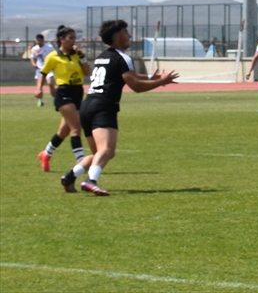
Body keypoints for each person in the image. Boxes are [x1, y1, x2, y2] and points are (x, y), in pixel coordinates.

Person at [60, 19, 178, 196]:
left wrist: (149, 77)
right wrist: (162, 81)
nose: (129, 35)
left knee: (98, 153)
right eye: (125, 32)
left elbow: (126, 75)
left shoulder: (103, 56)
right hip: (103, 106)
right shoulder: (123, 57)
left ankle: (70, 176)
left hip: (87, 105)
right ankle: (90, 181)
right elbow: (136, 86)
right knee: (107, 150)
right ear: (116, 37)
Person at [37, 26, 90, 174]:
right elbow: (43, 73)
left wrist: (83, 57)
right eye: (70, 38)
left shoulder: (76, 55)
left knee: (63, 132)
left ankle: (45, 154)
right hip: (64, 92)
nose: (74, 41)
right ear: (61, 39)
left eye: (74, 38)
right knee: (76, 128)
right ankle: (82, 162)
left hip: (78, 92)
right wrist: (39, 88)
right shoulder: (53, 56)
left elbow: (87, 72)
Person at [29, 32, 53, 106]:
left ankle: (54, 99)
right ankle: (40, 100)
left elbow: (55, 55)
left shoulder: (49, 47)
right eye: (38, 40)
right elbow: (31, 57)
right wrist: (33, 63)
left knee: (50, 83)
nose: (39, 42)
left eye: (40, 40)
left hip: (49, 68)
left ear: (43, 40)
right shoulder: (35, 49)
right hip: (39, 70)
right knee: (39, 86)